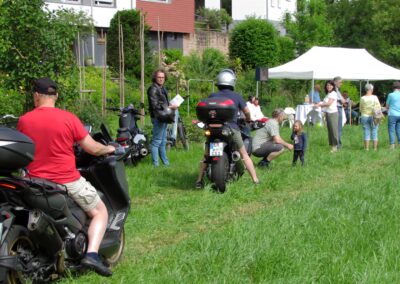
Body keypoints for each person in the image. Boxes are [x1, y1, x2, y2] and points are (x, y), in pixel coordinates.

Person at [17, 77, 115, 276]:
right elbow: (91, 147)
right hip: (66, 180)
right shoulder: (68, 118)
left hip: (34, 181)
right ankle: (93, 255)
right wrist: (109, 148)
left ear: (36, 96)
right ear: (56, 96)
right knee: (100, 212)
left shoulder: (24, 120)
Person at [195, 69, 259, 188]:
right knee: (244, 154)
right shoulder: (237, 96)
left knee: (206, 156)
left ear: (219, 82)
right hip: (231, 129)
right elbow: (246, 111)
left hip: (212, 129)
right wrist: (248, 119)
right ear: (232, 82)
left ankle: (199, 180)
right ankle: (255, 180)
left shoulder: (212, 96)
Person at [147, 69, 178, 166]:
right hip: (158, 117)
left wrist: (172, 104)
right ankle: (155, 165)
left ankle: (166, 163)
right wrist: (169, 107)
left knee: (163, 141)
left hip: (164, 116)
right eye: (159, 77)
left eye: (162, 77)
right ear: (155, 78)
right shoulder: (153, 89)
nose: (161, 79)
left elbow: (163, 102)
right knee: (156, 142)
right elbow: (155, 105)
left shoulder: (162, 88)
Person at [314, 80, 339, 152]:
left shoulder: (333, 93)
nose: (329, 86)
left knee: (334, 130)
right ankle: (332, 146)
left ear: (333, 86)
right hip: (328, 113)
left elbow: (328, 104)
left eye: (330, 85)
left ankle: (335, 147)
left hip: (333, 113)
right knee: (330, 130)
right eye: (327, 85)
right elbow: (324, 103)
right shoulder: (328, 94)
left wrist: (319, 105)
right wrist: (318, 104)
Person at [359, 83, 381, 151]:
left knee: (366, 131)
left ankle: (367, 149)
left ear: (366, 90)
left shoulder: (362, 98)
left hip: (364, 116)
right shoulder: (375, 97)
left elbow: (360, 108)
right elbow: (378, 107)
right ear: (371, 89)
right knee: (375, 131)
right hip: (374, 116)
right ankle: (375, 149)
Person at [386, 81, 400, 149]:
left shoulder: (390, 95)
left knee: (391, 130)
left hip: (392, 114)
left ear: (393, 88)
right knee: (399, 129)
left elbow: (387, 106)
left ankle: (392, 145)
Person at [333, 76, 346, 148]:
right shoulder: (335, 90)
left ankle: (337, 143)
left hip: (338, 108)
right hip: (338, 108)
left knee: (338, 127)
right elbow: (342, 100)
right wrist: (344, 101)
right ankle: (338, 144)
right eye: (340, 82)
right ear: (335, 82)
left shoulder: (337, 90)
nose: (341, 84)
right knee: (338, 127)